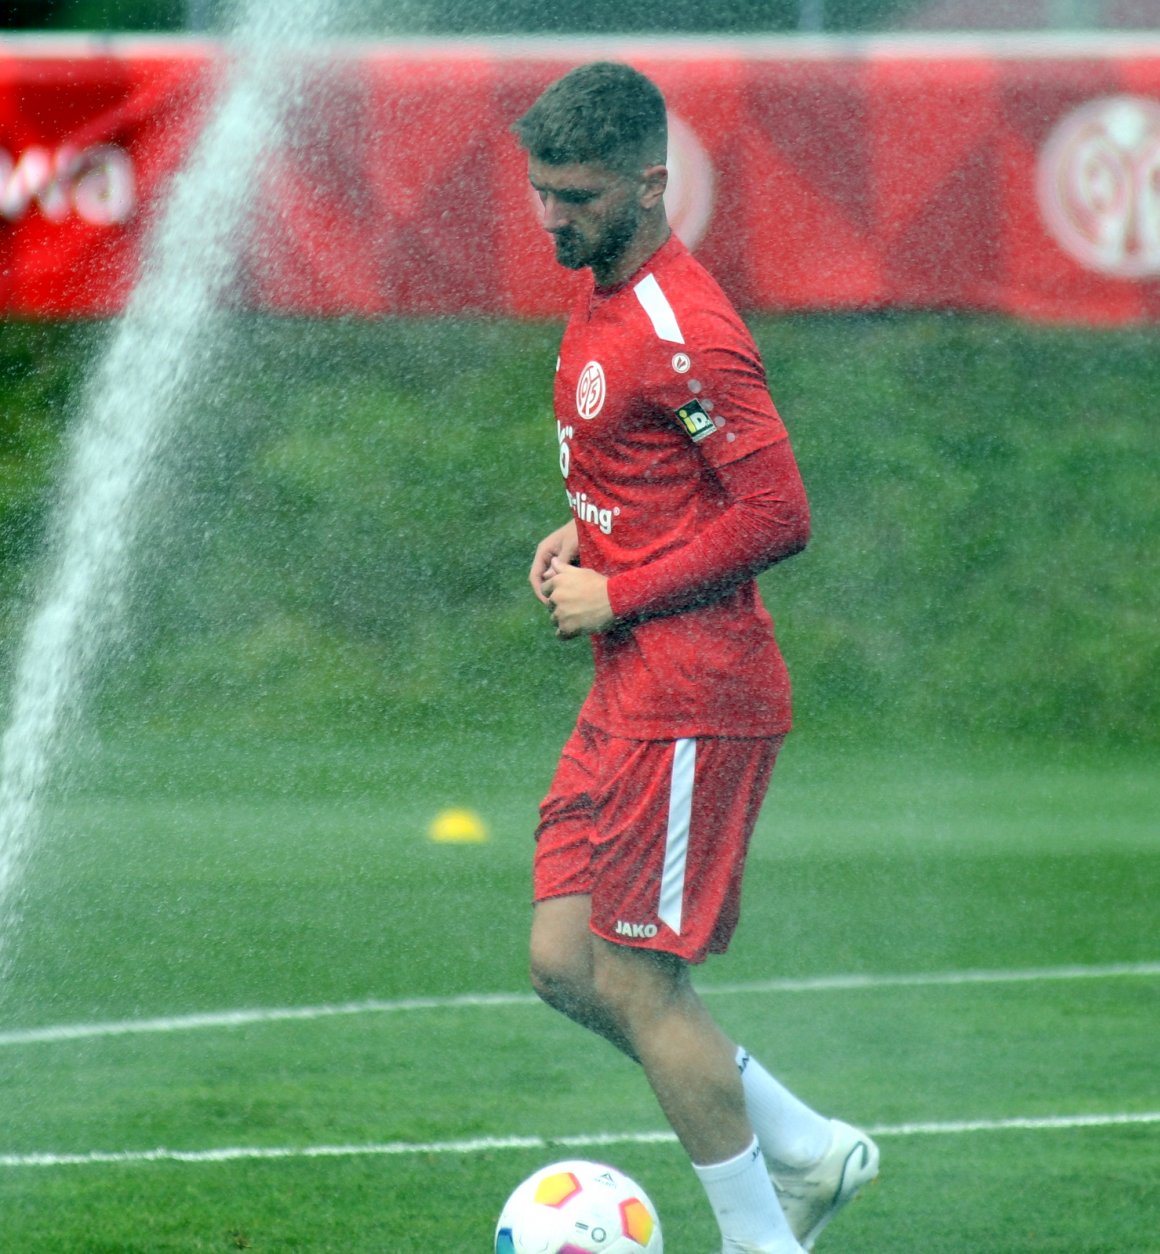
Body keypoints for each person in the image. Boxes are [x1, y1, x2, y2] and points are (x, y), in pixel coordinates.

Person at [512, 62, 878, 1254]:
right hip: (628, 689)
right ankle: (806, 1150)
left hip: (696, 692)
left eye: (574, 195)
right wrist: (592, 530)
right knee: (564, 959)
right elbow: (664, 475)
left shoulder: (686, 325)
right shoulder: (600, 295)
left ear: (649, 183)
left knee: (636, 982)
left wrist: (618, 587)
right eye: (540, 192)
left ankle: (762, 1237)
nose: (552, 216)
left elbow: (777, 513)